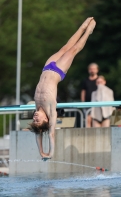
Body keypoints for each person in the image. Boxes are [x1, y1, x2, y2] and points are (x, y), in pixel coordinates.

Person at [30, 17, 96, 160]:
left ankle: (83, 26)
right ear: (46, 120)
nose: (35, 118)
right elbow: (51, 134)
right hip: (58, 71)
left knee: (65, 47)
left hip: (47, 67)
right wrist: (49, 153)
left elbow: (37, 133)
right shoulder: (51, 110)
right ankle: (88, 31)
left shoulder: (37, 107)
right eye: (38, 120)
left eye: (34, 120)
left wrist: (40, 151)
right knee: (74, 49)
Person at [81, 63, 99, 127]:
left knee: (96, 120)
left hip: (97, 103)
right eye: (91, 69)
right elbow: (83, 92)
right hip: (87, 103)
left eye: (94, 69)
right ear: (88, 70)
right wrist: (83, 103)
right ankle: (88, 134)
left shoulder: (99, 80)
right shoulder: (85, 81)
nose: (92, 70)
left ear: (97, 70)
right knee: (88, 119)